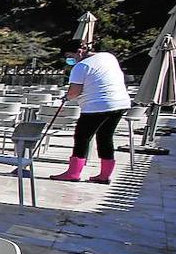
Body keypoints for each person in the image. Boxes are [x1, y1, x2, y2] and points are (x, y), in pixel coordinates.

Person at [49, 42, 131, 183]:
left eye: (70, 56)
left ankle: (73, 173)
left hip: (97, 105)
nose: (70, 60)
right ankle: (104, 175)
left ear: (79, 51)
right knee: (105, 137)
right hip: (120, 102)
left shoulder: (81, 67)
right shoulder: (108, 57)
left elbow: (75, 91)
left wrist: (66, 97)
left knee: (82, 137)